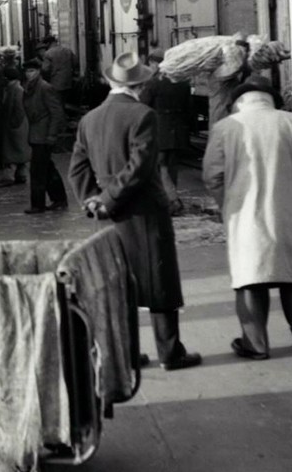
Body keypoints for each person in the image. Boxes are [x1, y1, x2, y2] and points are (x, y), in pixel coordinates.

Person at [68, 52, 202, 371]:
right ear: (139, 85)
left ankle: (127, 354)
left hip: (107, 218)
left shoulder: (90, 119)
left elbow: (77, 168)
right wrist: (111, 198)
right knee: (160, 281)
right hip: (144, 211)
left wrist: (94, 201)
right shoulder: (143, 115)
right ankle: (170, 354)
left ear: (111, 82)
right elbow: (139, 168)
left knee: (119, 283)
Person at [202, 76, 292, 360]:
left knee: (250, 277)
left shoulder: (225, 127)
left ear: (238, 103)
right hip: (289, 212)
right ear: (271, 99)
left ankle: (255, 345)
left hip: (243, 215)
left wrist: (226, 205)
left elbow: (212, 175)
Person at [140, 48, 192, 216]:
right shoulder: (182, 81)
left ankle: (172, 201)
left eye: (151, 64)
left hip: (159, 129)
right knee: (171, 166)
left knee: (160, 166)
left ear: (156, 63)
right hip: (177, 130)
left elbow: (143, 106)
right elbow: (189, 108)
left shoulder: (153, 83)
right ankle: (170, 198)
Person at [21, 58, 69, 214]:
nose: (29, 74)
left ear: (38, 71)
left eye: (32, 71)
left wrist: (51, 135)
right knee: (47, 168)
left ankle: (38, 204)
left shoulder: (44, 87)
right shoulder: (30, 87)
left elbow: (56, 112)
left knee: (38, 171)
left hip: (43, 135)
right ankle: (59, 199)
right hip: (37, 134)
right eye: (27, 71)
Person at [0, 66, 29, 188]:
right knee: (18, 151)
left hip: (15, 127)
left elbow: (19, 109)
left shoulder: (16, 90)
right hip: (16, 126)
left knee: (12, 153)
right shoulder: (12, 88)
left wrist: (13, 123)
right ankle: (21, 174)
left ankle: (9, 176)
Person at [41, 35, 75, 106]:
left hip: (55, 83)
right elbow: (75, 63)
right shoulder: (67, 51)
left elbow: (45, 69)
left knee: (56, 103)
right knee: (63, 102)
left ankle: (60, 116)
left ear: (48, 43)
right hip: (68, 82)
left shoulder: (48, 53)